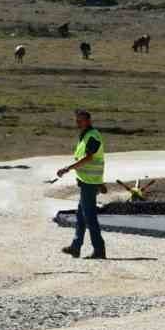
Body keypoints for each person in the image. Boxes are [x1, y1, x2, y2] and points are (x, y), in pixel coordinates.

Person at [56, 109, 107, 260]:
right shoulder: (85, 136)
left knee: (89, 217)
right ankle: (75, 247)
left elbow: (89, 158)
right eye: (77, 120)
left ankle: (99, 250)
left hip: (89, 184)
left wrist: (68, 168)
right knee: (81, 216)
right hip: (87, 182)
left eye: (80, 120)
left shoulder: (93, 136)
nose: (78, 123)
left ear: (88, 120)